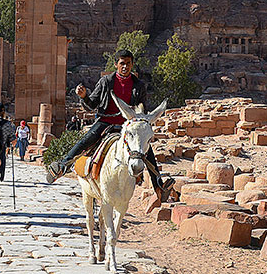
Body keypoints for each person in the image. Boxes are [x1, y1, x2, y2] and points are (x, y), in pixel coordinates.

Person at [44, 49, 174, 201]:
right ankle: (63, 165)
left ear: (132, 65)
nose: (125, 67)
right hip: (106, 122)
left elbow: (141, 108)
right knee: (86, 140)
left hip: (128, 125)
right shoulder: (106, 82)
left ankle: (159, 186)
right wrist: (84, 96)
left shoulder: (139, 85)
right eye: (122, 64)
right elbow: (91, 105)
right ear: (116, 65)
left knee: (145, 149)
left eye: (128, 64)